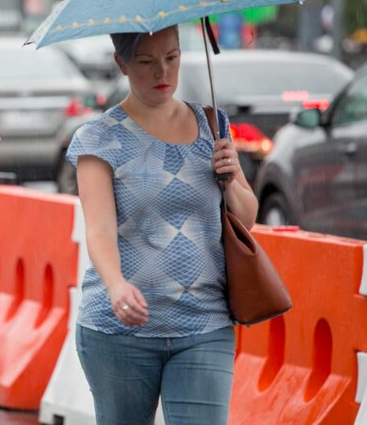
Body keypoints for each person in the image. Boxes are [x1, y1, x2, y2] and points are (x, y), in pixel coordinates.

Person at [66, 26, 258, 425]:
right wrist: (117, 285)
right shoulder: (98, 138)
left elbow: (248, 219)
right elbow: (99, 229)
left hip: (205, 322)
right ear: (121, 64)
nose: (162, 73)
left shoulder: (212, 124)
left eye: (171, 58)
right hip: (118, 330)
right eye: (146, 62)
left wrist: (231, 177)